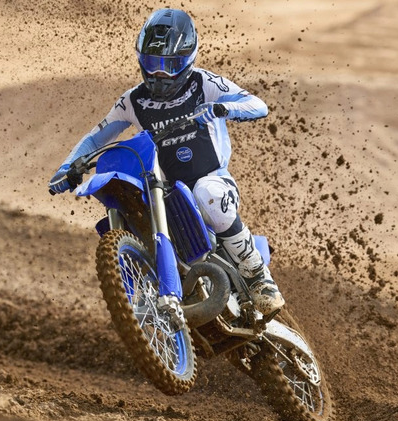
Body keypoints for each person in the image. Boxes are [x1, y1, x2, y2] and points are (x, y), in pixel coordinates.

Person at [48, 8, 284, 315]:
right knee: (135, 209)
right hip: (163, 187)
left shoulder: (203, 83)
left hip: (213, 180)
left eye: (169, 66)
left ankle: (258, 277)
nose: (160, 75)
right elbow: (95, 138)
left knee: (208, 193)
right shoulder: (132, 100)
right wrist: (67, 168)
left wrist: (222, 109)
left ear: (187, 59)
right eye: (152, 64)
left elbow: (257, 104)